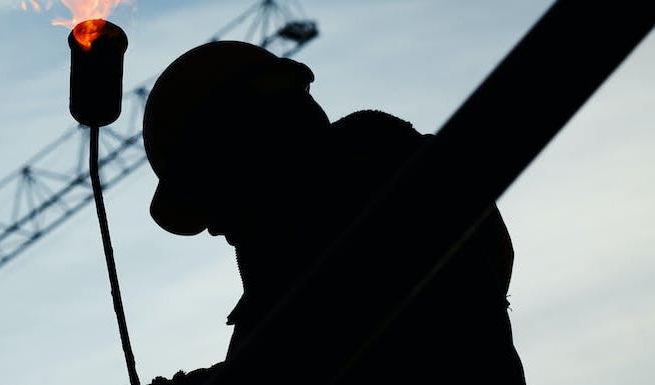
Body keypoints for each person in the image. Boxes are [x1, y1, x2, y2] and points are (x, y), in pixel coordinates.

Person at [143, 41, 525, 384]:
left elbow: (301, 356)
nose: (213, 226)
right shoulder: (401, 189)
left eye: (211, 190)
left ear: (248, 145)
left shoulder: (374, 211)